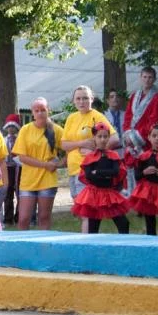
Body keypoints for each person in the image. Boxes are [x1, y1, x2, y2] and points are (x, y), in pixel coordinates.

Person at [60, 85, 118, 232]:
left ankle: (86, 241)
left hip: (87, 170)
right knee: (81, 212)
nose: (82, 102)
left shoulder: (97, 117)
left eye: (85, 98)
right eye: (78, 98)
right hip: (73, 170)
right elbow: (64, 144)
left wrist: (96, 152)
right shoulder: (71, 118)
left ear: (92, 99)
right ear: (74, 101)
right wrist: (81, 143)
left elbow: (114, 139)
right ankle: (90, 237)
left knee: (86, 213)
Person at [12, 98, 62, 231]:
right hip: (28, 180)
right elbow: (22, 157)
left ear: (48, 110)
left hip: (48, 180)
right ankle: (22, 242)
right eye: (37, 110)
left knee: (44, 217)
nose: (40, 113)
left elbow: (69, 149)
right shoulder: (25, 129)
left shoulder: (56, 130)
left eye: (43, 110)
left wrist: (59, 164)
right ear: (32, 113)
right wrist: (45, 165)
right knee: (23, 218)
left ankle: (43, 243)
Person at [72, 123, 130, 234]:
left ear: (108, 137)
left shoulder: (113, 155)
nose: (102, 140)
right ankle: (93, 243)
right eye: (99, 136)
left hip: (109, 193)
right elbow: (89, 176)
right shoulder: (90, 157)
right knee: (93, 226)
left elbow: (116, 172)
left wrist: (98, 172)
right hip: (94, 195)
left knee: (123, 223)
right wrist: (106, 174)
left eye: (105, 136)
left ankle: (124, 242)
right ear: (94, 137)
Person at [126, 124, 158, 235]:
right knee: (150, 222)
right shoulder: (143, 157)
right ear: (149, 137)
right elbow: (137, 176)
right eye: (154, 136)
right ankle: (151, 242)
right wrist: (145, 172)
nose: (157, 139)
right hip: (148, 192)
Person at [124, 66, 158, 138]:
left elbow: (154, 122)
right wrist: (127, 131)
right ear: (140, 78)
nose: (147, 80)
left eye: (150, 77)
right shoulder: (134, 96)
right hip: (130, 136)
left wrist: (137, 135)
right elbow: (128, 115)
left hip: (148, 137)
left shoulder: (157, 99)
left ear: (154, 79)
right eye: (145, 77)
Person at [1, 115, 21, 224]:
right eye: (9, 127)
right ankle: (8, 218)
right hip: (7, 168)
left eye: (13, 127)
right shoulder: (3, 140)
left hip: (18, 168)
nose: (11, 129)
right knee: (7, 193)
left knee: (19, 192)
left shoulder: (20, 140)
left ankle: (19, 216)